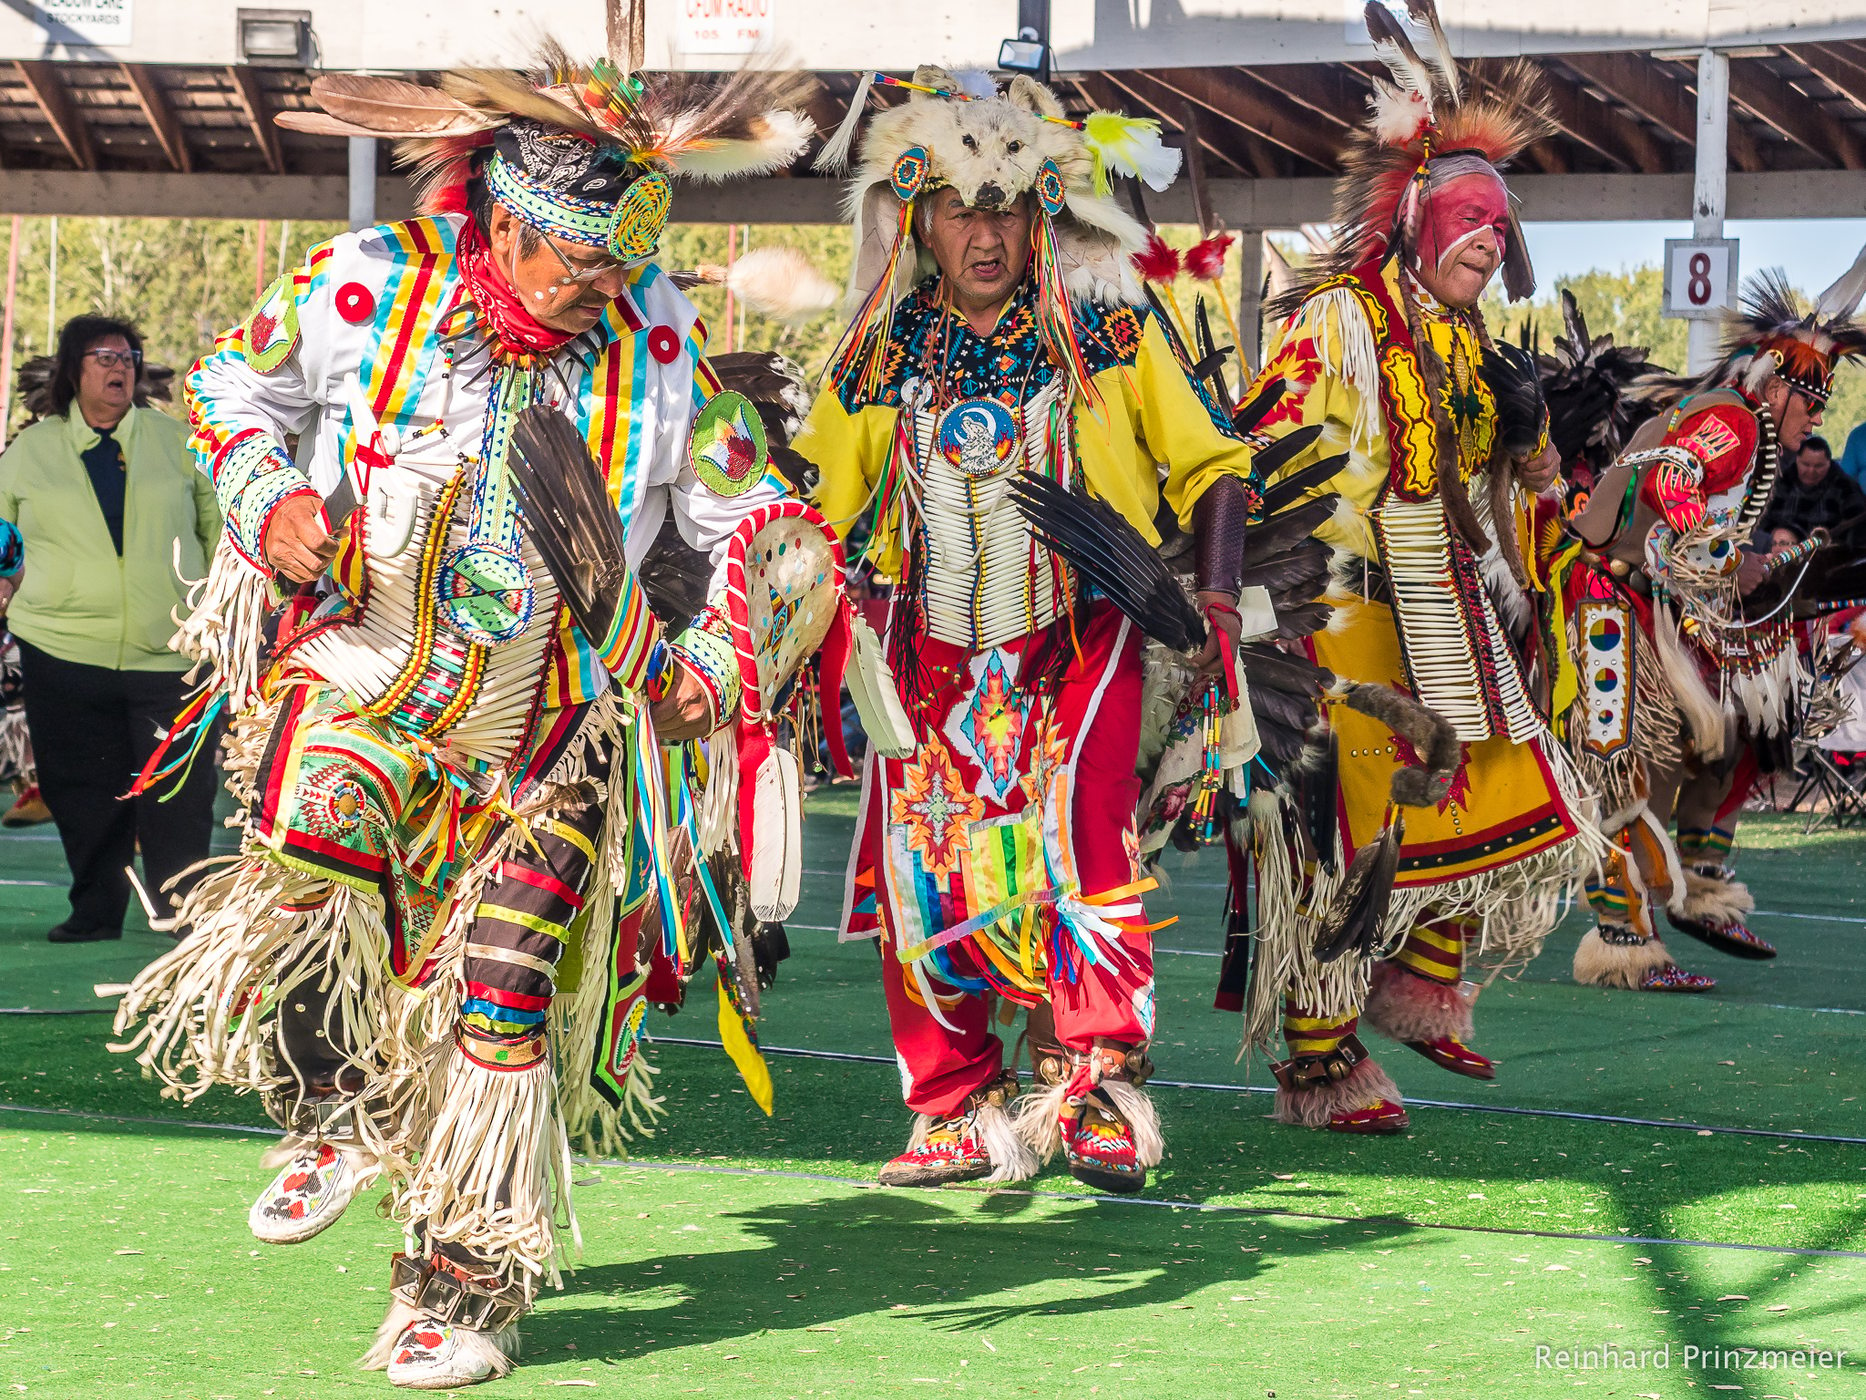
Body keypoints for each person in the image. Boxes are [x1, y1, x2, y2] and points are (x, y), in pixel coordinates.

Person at [112, 52, 823, 1389]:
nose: (594, 293)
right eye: (574, 264)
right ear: (503, 224)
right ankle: (329, 1101)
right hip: (365, 683)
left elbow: (768, 532)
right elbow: (223, 386)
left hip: (542, 740)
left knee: (500, 1009)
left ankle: (467, 1278)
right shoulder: (368, 280)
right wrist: (273, 503)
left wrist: (712, 670)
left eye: (617, 269)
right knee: (310, 837)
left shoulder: (656, 341)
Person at [797, 65, 1259, 1192]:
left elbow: (1215, 465)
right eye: (959, 208)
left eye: (1004, 206)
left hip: (1085, 633)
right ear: (920, 217)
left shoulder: (1104, 326)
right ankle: (956, 1102)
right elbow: (818, 499)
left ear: (1041, 208)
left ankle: (1096, 1081)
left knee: (1084, 832)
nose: (984, 233)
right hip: (926, 651)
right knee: (925, 862)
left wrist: (1210, 597)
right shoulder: (882, 345)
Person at [1236, 2, 1598, 1134]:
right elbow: (1270, 459)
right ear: (1419, 220)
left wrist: (1530, 429)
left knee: (1510, 796)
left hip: (1445, 601)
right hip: (1344, 615)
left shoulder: (1468, 347)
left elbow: (1523, 481)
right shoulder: (1338, 324)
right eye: (1471, 222)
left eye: (1500, 229)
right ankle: (1320, 1059)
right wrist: (1278, 615)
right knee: (1349, 842)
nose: (1489, 244)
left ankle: (1420, 981)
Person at [1562, 267, 1866, 984]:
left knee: (1741, 732)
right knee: (1635, 763)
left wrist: (1742, 563)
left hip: (1663, 606)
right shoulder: (1733, 420)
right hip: (1610, 602)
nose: (1816, 417)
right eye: (1811, 398)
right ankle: (1622, 940)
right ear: (1775, 385)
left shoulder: (1743, 423)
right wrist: (1732, 556)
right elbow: (1672, 482)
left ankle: (1697, 884)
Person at [0, 315, 221, 943]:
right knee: (81, 792)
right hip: (61, 649)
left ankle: (182, 913)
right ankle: (95, 912)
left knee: (178, 793)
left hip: (172, 651)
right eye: (102, 356)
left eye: (128, 355)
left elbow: (217, 530)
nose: (119, 365)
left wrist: (224, 607)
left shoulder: (178, 443)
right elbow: (0, 531)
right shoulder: (30, 451)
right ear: (74, 371)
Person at [1764, 434, 1866, 551]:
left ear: (1829, 463)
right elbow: (1760, 523)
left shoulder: (1845, 487)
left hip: (1824, 558)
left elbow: (1858, 529)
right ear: (1797, 459)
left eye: (1819, 466)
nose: (1811, 471)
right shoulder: (1779, 482)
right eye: (1806, 464)